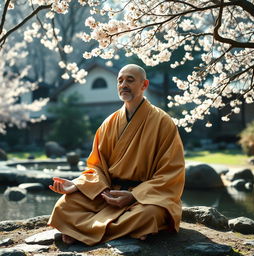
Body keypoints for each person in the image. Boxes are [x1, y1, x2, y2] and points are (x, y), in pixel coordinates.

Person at [48, 64, 185, 245]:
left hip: (144, 198)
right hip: (109, 194)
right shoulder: (108, 123)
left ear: (144, 85)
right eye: (120, 80)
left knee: (150, 214)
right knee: (64, 206)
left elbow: (171, 172)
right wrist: (77, 185)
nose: (123, 85)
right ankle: (129, 231)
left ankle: (80, 230)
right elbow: (97, 165)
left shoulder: (163, 122)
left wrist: (134, 195)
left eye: (130, 80)